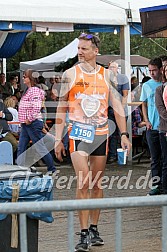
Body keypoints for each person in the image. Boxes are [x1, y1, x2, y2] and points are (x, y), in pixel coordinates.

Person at [54, 33, 131, 252]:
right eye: (79, 48)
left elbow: (116, 107)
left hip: (100, 134)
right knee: (84, 181)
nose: (80, 52)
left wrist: (124, 134)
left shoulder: (106, 76)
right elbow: (61, 107)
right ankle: (84, 231)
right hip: (78, 133)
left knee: (96, 183)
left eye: (84, 49)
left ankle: (94, 228)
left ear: (95, 52)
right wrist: (58, 138)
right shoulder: (70, 74)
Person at [17, 69, 56, 173]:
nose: (23, 78)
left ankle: (52, 168)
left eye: (25, 76)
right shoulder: (29, 90)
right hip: (27, 123)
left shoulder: (33, 90)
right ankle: (19, 168)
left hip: (32, 123)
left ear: (30, 78)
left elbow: (36, 107)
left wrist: (29, 119)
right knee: (22, 146)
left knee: (39, 147)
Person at [140, 57, 163, 196]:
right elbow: (144, 103)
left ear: (161, 69)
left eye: (154, 70)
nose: (152, 73)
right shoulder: (146, 85)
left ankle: (163, 184)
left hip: (163, 127)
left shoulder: (164, 84)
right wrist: (146, 120)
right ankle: (156, 184)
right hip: (152, 127)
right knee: (155, 158)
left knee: (164, 158)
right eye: (150, 71)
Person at [107, 60, 129, 164]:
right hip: (109, 109)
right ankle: (112, 155)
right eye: (110, 68)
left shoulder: (123, 78)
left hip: (120, 109)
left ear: (117, 69)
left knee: (122, 133)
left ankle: (124, 155)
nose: (111, 69)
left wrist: (122, 108)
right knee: (112, 133)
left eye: (113, 67)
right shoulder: (106, 79)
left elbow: (125, 95)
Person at [155, 63, 167, 194]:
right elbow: (161, 110)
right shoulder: (160, 89)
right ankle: (164, 191)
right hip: (164, 130)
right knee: (165, 161)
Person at [0, 95, 18, 163]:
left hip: (4, 132)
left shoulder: (1, 105)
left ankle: (9, 161)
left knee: (14, 144)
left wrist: (3, 115)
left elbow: (10, 117)